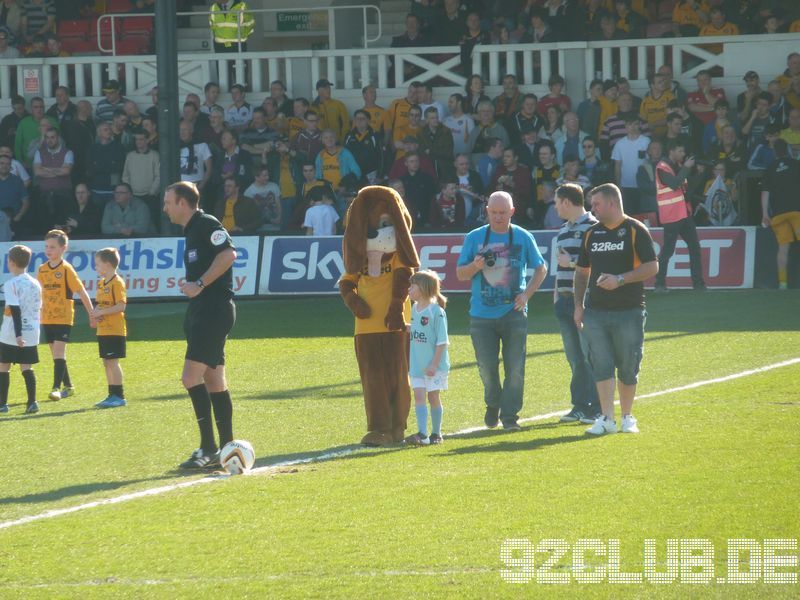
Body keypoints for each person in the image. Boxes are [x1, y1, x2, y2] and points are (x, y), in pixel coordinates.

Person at [456, 191, 547, 431]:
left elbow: (541, 269)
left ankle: (510, 417)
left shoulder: (523, 237)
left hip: (513, 313)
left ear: (512, 212)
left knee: (515, 368)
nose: (497, 217)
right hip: (480, 314)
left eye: (502, 213)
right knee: (487, 368)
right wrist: (475, 266)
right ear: (487, 211)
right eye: (493, 212)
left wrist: (526, 295)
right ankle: (492, 404)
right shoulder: (474, 237)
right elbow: (460, 274)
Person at [163, 181, 237, 469]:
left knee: (190, 378)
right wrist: (192, 285)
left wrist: (200, 283)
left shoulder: (206, 223)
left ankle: (208, 448)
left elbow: (229, 254)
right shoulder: (192, 229)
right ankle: (228, 447)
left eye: (168, 202)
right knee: (214, 380)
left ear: (183, 203)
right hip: (203, 310)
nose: (165, 208)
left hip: (212, 311)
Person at [573, 184, 659, 435]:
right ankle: (607, 418)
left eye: (596, 203)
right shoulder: (591, 233)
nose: (592, 208)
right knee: (600, 363)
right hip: (596, 311)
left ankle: (628, 416)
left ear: (612, 203)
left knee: (628, 364)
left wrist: (620, 279)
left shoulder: (635, 230)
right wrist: (578, 305)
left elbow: (652, 266)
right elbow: (581, 271)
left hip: (629, 310)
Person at [553, 183, 600, 424]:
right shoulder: (562, 230)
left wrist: (571, 262)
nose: (555, 207)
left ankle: (596, 407)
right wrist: (557, 296)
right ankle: (580, 406)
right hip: (564, 301)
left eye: (557, 202)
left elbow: (595, 264)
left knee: (590, 354)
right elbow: (559, 267)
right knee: (574, 357)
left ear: (566, 202)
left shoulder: (593, 228)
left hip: (584, 302)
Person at [37, 229, 94, 402]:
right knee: (56, 354)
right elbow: (38, 293)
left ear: (63, 248)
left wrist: (92, 312)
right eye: (47, 246)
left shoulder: (66, 269)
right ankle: (68, 386)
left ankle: (56, 388)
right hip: (46, 318)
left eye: (53, 247)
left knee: (59, 352)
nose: (48, 250)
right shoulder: (42, 269)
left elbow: (81, 291)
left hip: (63, 318)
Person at [653, 140, 706, 291]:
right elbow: (675, 184)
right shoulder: (662, 167)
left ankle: (698, 284)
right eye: (680, 151)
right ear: (672, 151)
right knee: (668, 251)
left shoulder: (677, 167)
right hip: (671, 216)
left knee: (695, 247)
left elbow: (687, 192)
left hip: (684, 214)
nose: (683, 154)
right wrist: (686, 168)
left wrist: (700, 174)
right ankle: (659, 283)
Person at [405, 270, 450, 445]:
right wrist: (405, 327)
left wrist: (434, 364)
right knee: (418, 397)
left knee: (433, 398)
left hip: (434, 367)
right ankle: (423, 434)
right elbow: (418, 329)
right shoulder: (415, 309)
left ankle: (436, 433)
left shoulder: (436, 312)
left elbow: (442, 341)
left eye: (412, 286)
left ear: (423, 289)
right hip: (417, 365)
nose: (409, 290)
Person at [0, 245, 41, 414]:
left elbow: (15, 310)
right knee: (27, 367)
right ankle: (32, 402)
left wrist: (18, 334)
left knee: (3, 366)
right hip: (32, 331)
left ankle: (2, 404)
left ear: (11, 262)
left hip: (11, 333)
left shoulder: (12, 284)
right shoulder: (35, 283)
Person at [91, 247, 128, 409]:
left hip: (115, 329)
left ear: (107, 264)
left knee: (113, 362)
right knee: (106, 362)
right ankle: (111, 394)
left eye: (98, 264)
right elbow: (100, 304)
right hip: (103, 329)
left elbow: (121, 306)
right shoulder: (100, 283)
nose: (96, 267)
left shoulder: (117, 282)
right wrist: (96, 314)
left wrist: (103, 311)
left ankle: (119, 396)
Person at [761, 139, 800, 290]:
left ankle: (782, 283)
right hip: (797, 212)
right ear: (788, 150)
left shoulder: (770, 168)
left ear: (774, 152)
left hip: (778, 215)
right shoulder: (796, 164)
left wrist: (765, 213)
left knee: (783, 248)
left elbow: (765, 193)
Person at [611, 114, 650, 215]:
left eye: (635, 124)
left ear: (639, 125)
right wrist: (618, 185)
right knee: (628, 214)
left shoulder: (646, 141)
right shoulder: (619, 144)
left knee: (643, 214)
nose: (632, 127)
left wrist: (651, 182)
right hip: (626, 186)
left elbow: (649, 164)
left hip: (643, 185)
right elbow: (617, 165)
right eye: (629, 124)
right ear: (625, 126)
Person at [312, 79, 350, 144]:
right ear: (318, 90)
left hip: (336, 142)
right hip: (319, 143)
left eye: (329, 88)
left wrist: (342, 141)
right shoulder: (313, 107)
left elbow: (346, 124)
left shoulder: (338, 105)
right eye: (325, 88)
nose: (328, 90)